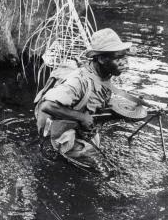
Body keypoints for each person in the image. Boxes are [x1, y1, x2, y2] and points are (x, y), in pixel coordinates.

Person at [35, 28, 132, 168]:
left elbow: (96, 103)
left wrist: (125, 112)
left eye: (125, 57)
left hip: (78, 126)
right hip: (61, 129)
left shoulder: (104, 75)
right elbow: (47, 106)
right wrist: (81, 118)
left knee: (99, 155)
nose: (125, 63)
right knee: (101, 168)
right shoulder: (78, 81)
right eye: (118, 58)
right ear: (102, 59)